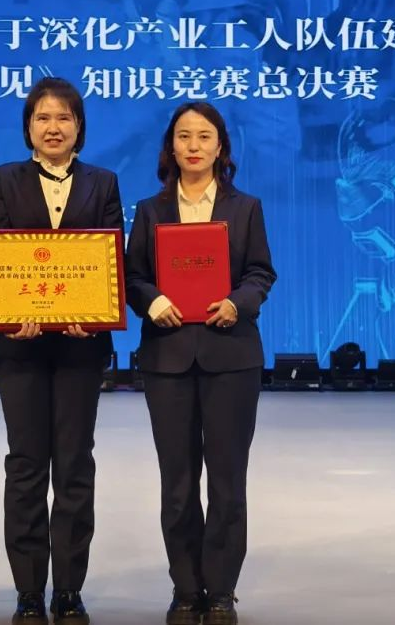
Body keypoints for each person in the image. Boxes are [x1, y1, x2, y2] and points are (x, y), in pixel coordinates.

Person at [125, 102, 276, 625]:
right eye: (184, 136)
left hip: (231, 356)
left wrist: (238, 302)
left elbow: (261, 273)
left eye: (204, 136)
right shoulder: (150, 210)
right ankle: (186, 588)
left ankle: (222, 590)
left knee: (228, 482)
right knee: (178, 483)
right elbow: (133, 276)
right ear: (170, 146)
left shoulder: (245, 207)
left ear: (221, 147)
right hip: (167, 358)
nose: (193, 145)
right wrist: (151, 301)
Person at [0, 77, 123, 625]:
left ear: (79, 126)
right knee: (24, 466)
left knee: (74, 465)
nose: (53, 127)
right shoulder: (3, 180)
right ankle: (27, 590)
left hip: (80, 349)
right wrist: (4, 312)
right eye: (42, 117)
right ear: (28, 128)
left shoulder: (103, 182)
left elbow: (111, 259)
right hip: (19, 348)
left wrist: (96, 310)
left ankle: (68, 588)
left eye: (64, 117)